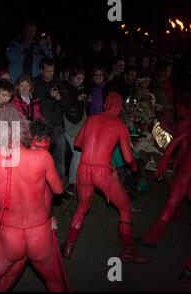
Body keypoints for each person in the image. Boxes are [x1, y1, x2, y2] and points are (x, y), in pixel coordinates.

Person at [0, 103, 67, 292]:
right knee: (55, 283)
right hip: (39, 234)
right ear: (20, 126)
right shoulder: (42, 158)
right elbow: (59, 190)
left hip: (10, 237)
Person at [61, 92, 150, 264]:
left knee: (82, 206)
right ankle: (128, 252)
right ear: (119, 107)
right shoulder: (119, 124)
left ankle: (68, 246)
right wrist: (133, 168)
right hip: (101, 172)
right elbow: (128, 157)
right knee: (125, 209)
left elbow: (77, 143)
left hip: (84, 169)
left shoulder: (92, 119)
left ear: (105, 105)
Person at [138, 107, 191, 248]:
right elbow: (183, 143)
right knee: (172, 202)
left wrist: (169, 160)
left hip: (187, 167)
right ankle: (152, 237)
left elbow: (181, 142)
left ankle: (152, 238)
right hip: (187, 166)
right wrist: (172, 160)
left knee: (172, 202)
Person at [34, 58, 70, 179]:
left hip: (57, 126)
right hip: (41, 126)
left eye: (52, 71)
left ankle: (59, 186)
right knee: (40, 158)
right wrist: (48, 95)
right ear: (41, 70)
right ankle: (40, 183)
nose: (50, 74)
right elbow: (34, 102)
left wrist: (60, 99)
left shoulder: (58, 83)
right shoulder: (35, 83)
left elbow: (66, 105)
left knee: (59, 159)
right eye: (47, 71)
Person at [63, 67, 90, 195]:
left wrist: (87, 102)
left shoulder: (80, 89)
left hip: (81, 125)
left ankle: (79, 180)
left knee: (81, 154)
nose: (80, 81)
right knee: (77, 154)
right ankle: (71, 184)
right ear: (72, 77)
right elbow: (64, 106)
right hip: (71, 126)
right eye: (78, 78)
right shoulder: (66, 88)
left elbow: (82, 111)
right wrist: (76, 99)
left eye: (82, 78)